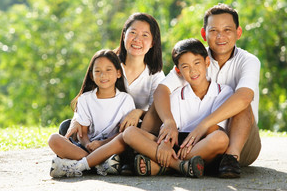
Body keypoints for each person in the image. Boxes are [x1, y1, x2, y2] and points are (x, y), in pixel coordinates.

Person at [141, 3, 261, 178]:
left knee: (242, 102)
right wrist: (169, 122)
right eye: (213, 31)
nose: (220, 36)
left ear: (238, 32)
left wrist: (203, 125)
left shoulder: (248, 60)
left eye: (227, 30)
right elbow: (161, 90)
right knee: (157, 105)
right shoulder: (194, 57)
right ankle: (144, 151)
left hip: (239, 139)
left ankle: (229, 159)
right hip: (194, 142)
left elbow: (244, 97)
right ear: (204, 34)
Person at [50, 13, 165, 177]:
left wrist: (138, 112)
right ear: (124, 34)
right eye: (133, 32)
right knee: (65, 128)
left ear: (152, 42)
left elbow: (158, 112)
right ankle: (101, 162)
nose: (137, 39)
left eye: (145, 35)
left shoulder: (156, 75)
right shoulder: (108, 62)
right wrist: (77, 120)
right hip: (97, 128)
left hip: (128, 132)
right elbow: (87, 95)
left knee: (134, 133)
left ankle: (86, 162)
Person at [121, 38, 234, 177]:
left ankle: (165, 166)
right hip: (176, 143)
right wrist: (165, 144)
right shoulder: (176, 95)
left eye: (197, 63)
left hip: (200, 144)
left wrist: (186, 146)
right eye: (185, 67)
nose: (192, 70)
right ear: (178, 71)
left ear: (207, 62)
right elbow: (169, 129)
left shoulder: (224, 91)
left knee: (221, 139)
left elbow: (214, 128)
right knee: (129, 133)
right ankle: (181, 166)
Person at [48, 49, 135, 177]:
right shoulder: (85, 98)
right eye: (98, 71)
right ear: (91, 76)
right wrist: (88, 144)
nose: (103, 75)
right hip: (89, 147)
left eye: (108, 70)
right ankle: (99, 165)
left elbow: (124, 133)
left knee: (126, 139)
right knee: (53, 139)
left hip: (113, 148)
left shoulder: (125, 99)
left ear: (118, 73)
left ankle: (80, 165)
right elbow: (82, 132)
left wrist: (101, 145)